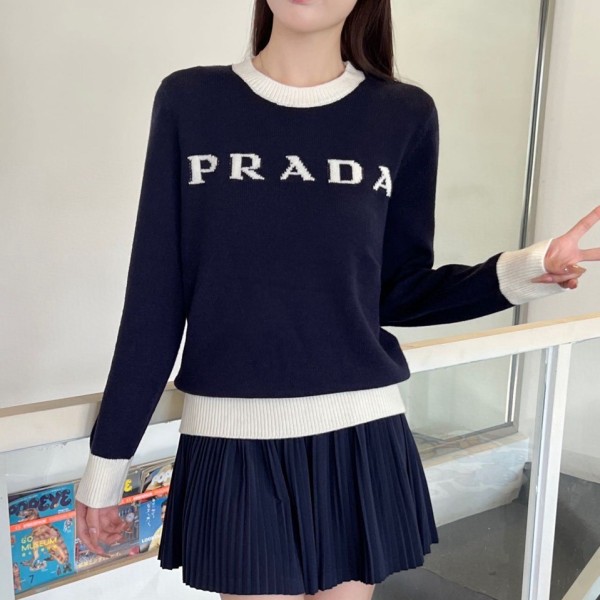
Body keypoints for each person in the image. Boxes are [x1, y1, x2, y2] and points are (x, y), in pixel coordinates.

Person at [74, 0, 600, 598]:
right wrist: (108, 462)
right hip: (232, 440)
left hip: (360, 437)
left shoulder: (402, 114)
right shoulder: (191, 101)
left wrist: (527, 269)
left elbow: (399, 292)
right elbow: (154, 298)